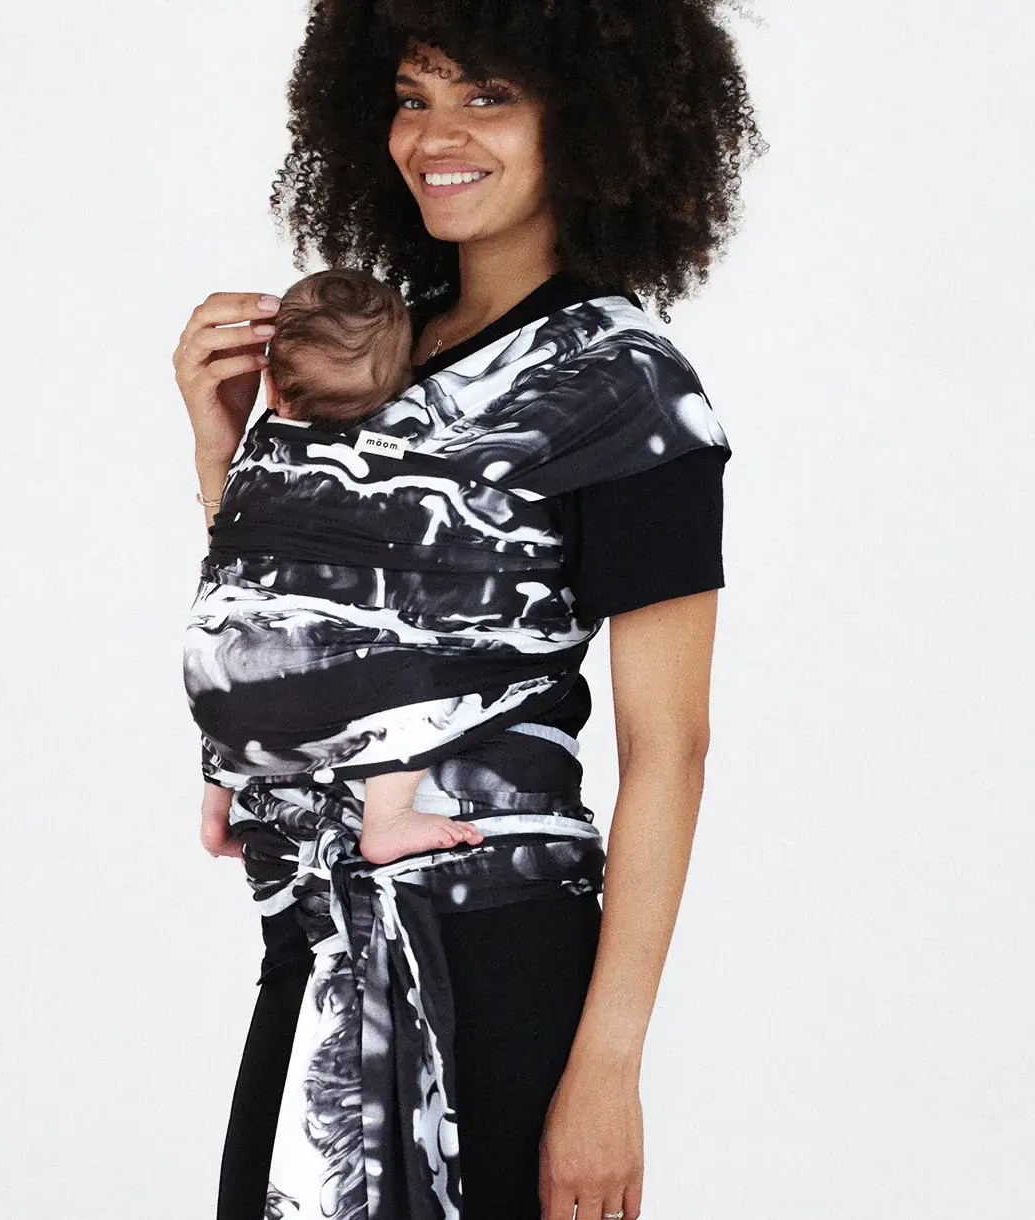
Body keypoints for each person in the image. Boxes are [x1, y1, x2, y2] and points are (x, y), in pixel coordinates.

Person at [173, 4, 765, 1217]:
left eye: (487, 95)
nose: (436, 134)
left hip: (494, 955)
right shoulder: (362, 351)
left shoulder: (624, 389)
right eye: (412, 96)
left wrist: (606, 1071)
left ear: (585, 120)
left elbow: (670, 746)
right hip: (310, 936)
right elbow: (298, 608)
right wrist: (222, 447)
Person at [193, 263, 488, 864]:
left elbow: (228, 536)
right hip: (329, 663)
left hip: (217, 667)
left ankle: (214, 815)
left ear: (272, 388)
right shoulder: (394, 451)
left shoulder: (257, 447)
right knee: (419, 673)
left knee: (228, 688)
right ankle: (388, 818)